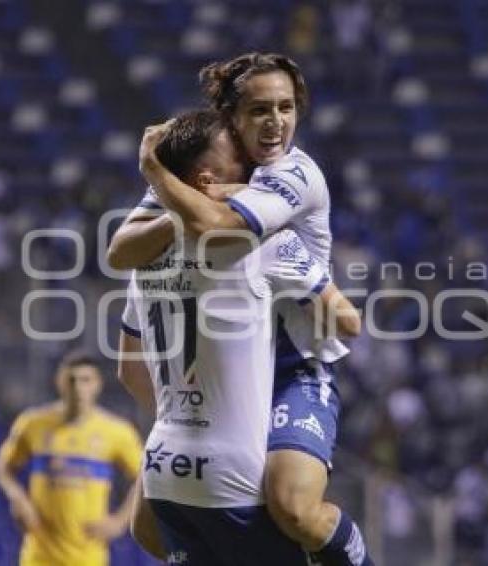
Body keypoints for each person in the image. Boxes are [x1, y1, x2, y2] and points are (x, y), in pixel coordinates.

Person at [117, 52, 372, 566]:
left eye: (287, 107)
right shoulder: (196, 173)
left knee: (292, 508)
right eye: (260, 110)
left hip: (291, 366)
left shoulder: (294, 174)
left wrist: (165, 181)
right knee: (149, 526)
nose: (276, 122)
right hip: (214, 381)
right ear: (231, 118)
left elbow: (216, 227)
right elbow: (120, 250)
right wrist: (191, 416)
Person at [0, 350, 144, 566]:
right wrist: (17, 497)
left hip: (88, 558)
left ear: (97, 384)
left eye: (85, 380)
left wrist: (120, 521)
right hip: (38, 556)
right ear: (60, 382)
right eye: (71, 380)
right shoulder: (33, 424)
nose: (78, 388)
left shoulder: (117, 432)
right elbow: (3, 467)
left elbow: (146, 475)